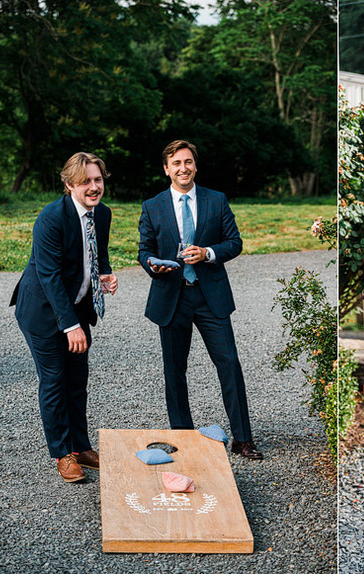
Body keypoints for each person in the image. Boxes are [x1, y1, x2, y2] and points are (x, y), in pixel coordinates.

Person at [138, 139, 262, 460]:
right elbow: (144, 250)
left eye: (188, 162)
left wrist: (208, 253)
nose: (183, 168)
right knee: (174, 371)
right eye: (176, 163)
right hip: (172, 298)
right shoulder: (153, 206)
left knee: (230, 364)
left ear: (196, 165)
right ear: (166, 169)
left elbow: (234, 243)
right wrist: (151, 264)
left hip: (211, 298)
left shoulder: (216, 200)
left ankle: (243, 439)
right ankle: (183, 435)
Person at [10, 152, 118, 483]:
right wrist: (70, 326)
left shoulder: (103, 214)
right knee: (55, 380)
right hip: (42, 311)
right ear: (70, 183)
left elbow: (97, 254)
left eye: (98, 179)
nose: (94, 186)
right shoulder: (50, 218)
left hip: (78, 306)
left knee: (77, 381)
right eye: (86, 181)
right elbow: (49, 276)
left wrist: (106, 274)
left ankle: (81, 446)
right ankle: (62, 453)